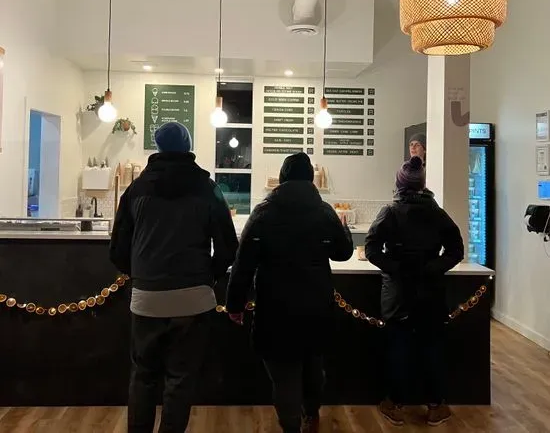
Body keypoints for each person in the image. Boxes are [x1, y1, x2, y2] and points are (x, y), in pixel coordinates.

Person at [110, 121, 238, 433]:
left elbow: (117, 250)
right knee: (180, 379)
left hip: (147, 299)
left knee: (143, 376)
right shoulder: (207, 188)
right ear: (188, 146)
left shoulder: (136, 189)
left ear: (157, 147)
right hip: (193, 299)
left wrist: (142, 276)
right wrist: (207, 276)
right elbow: (228, 247)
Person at [225, 152, 353, 433]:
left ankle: (291, 426)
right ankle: (311, 415)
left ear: (282, 178)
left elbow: (243, 264)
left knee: (284, 377)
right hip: (316, 306)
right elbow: (343, 252)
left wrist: (234, 304)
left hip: (275, 308)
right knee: (313, 367)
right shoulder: (324, 212)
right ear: (310, 179)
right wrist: (343, 229)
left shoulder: (263, 213)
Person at [365, 156, 463, 427]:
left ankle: (395, 405)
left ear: (399, 184)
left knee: (399, 348)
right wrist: (433, 267)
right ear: (422, 185)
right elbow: (456, 250)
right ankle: (435, 406)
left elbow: (371, 249)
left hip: (398, 294)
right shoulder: (437, 213)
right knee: (432, 348)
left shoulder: (390, 212)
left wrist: (396, 268)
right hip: (431, 292)